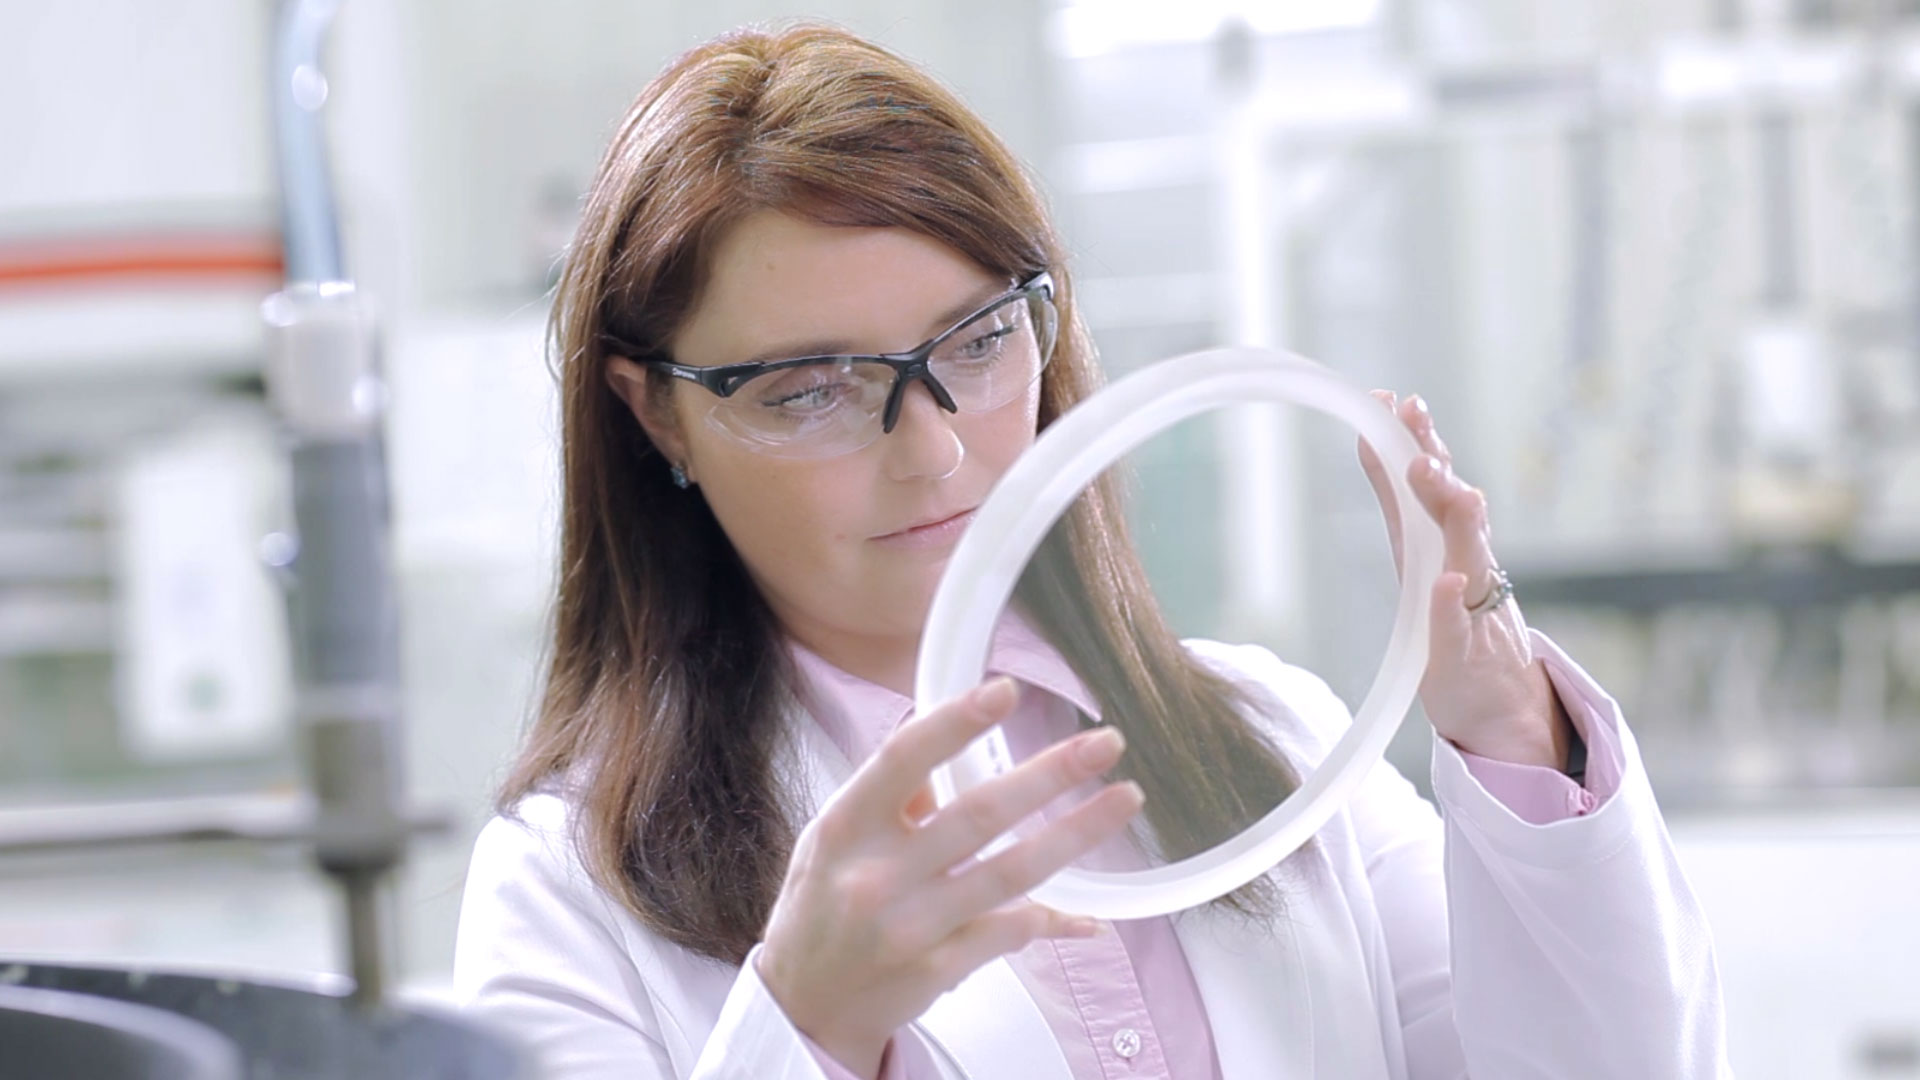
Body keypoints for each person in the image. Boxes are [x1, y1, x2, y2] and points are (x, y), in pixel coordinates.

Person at [452, 22, 1730, 1080]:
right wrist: (808, 1027)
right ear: (654, 410)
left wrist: (1509, 724)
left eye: (978, 343)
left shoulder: (1270, 744)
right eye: (809, 391)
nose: (935, 453)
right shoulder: (570, 892)